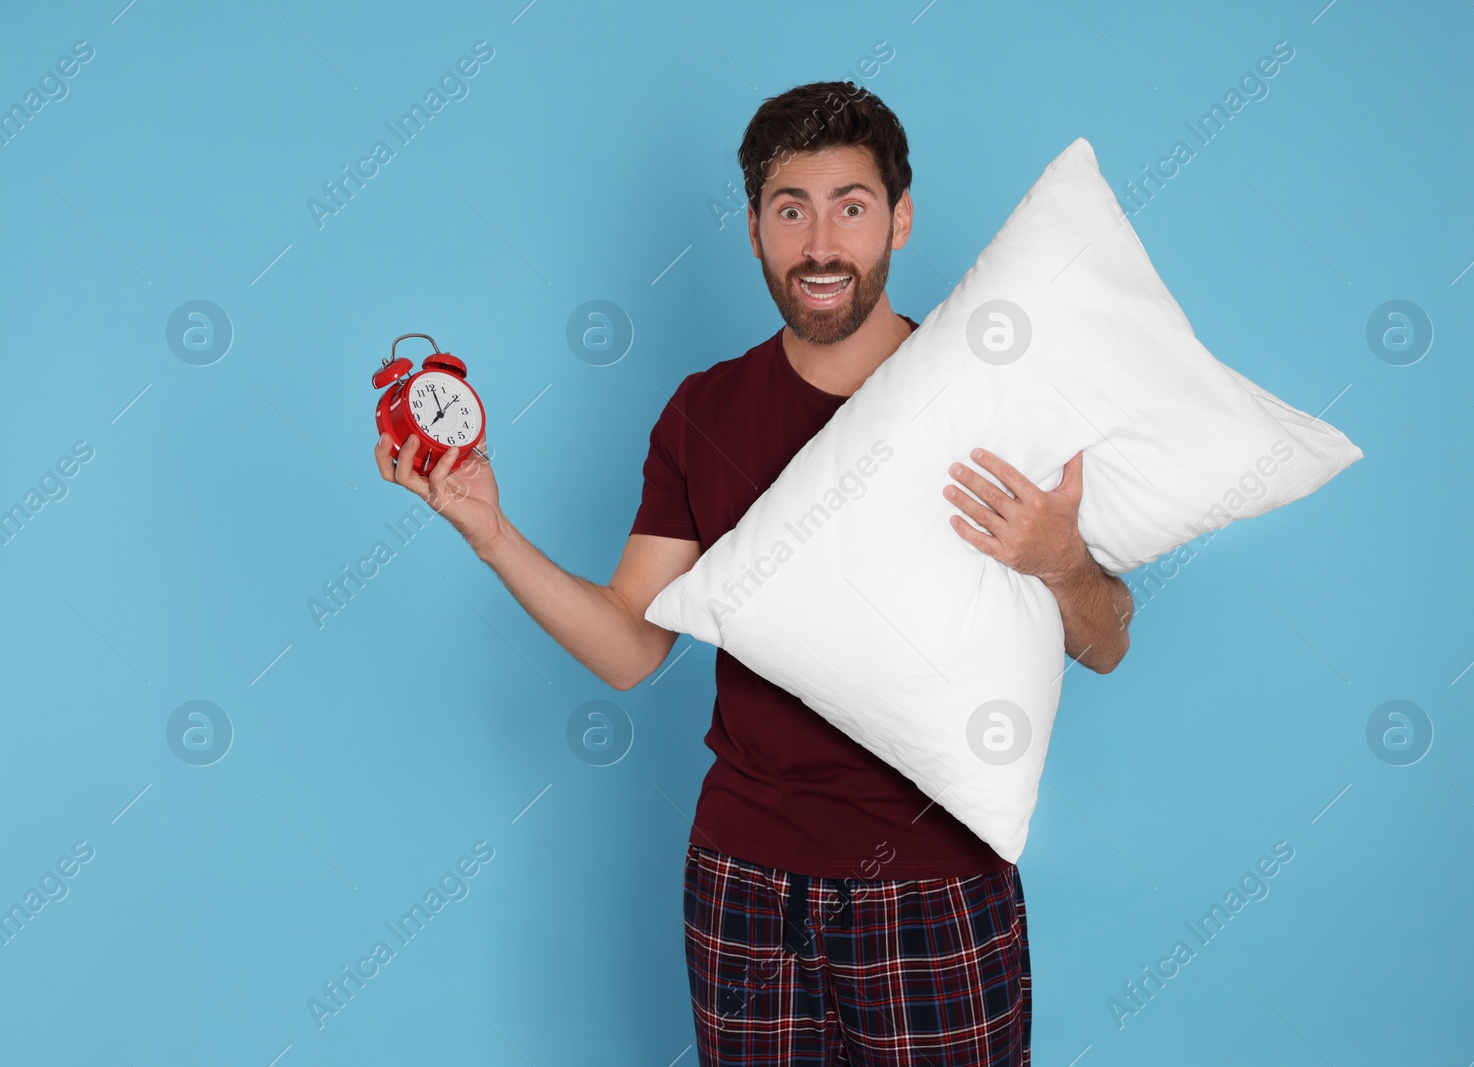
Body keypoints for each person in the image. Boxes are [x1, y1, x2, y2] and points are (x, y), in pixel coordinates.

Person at [376, 79, 1133, 1066]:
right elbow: (630, 648)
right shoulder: (705, 413)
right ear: (752, 229)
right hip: (743, 884)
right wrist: (490, 532)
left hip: (937, 884)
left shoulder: (989, 401)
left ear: (899, 220)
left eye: (850, 206)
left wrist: (1061, 558)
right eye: (791, 209)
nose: (820, 244)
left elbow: (1106, 636)